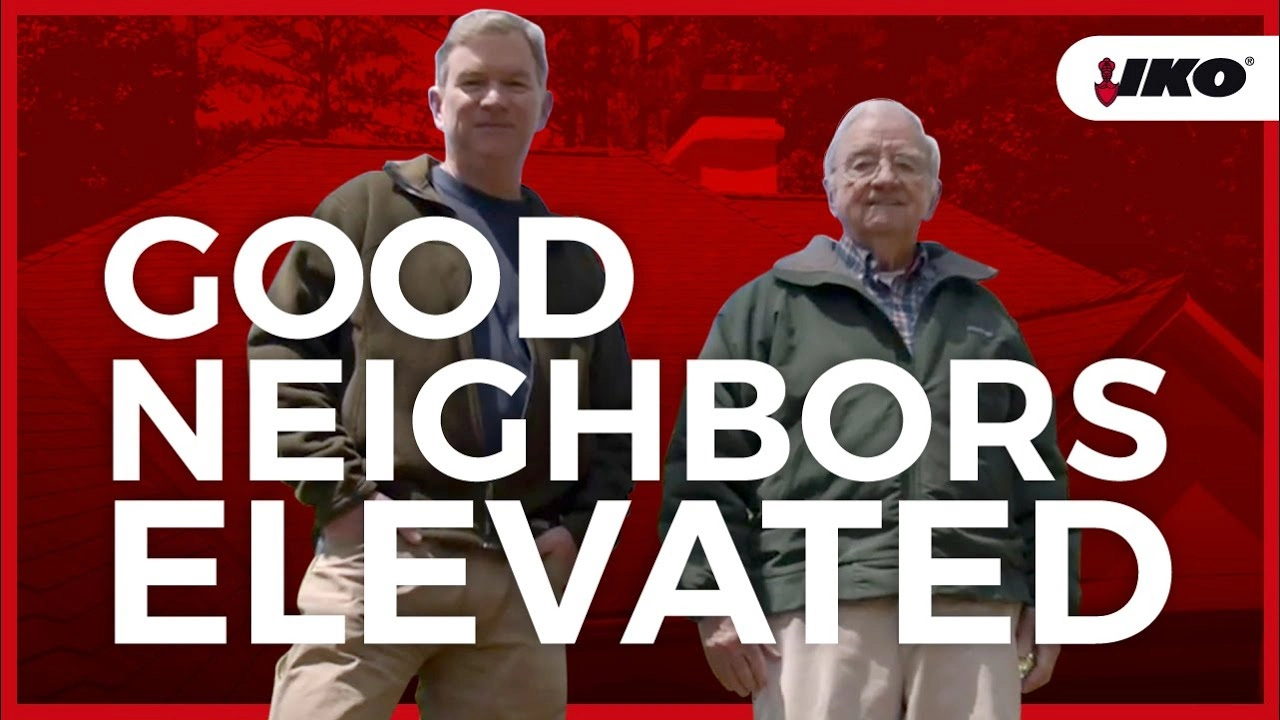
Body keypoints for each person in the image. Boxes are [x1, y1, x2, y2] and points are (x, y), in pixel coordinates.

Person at [251, 9, 634, 720]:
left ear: (544, 108)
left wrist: (579, 529)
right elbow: (280, 357)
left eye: (515, 83)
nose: (494, 99)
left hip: (520, 577)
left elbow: (614, 422)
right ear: (436, 102)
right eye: (474, 82)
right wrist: (343, 498)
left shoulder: (576, 261)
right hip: (387, 551)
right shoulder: (363, 211)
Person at [659, 98, 1080, 720]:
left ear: (933, 193)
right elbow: (706, 466)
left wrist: (1051, 595)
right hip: (819, 601)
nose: (884, 177)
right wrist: (715, 600)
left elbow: (1038, 472)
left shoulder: (989, 320)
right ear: (830, 189)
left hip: (971, 600)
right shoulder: (761, 312)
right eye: (862, 163)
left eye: (905, 164)